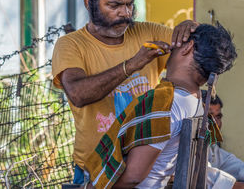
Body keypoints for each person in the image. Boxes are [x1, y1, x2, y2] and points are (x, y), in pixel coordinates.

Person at [51, 0, 198, 184]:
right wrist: (131, 65)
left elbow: (193, 53)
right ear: (89, 2)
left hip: (144, 166)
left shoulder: (148, 32)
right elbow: (79, 94)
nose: (125, 13)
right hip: (96, 169)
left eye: (129, 4)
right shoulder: (71, 45)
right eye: (114, 5)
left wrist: (191, 28)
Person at [85, 23, 243, 189]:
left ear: (189, 47)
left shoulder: (166, 102)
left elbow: (133, 176)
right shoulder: (195, 100)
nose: (172, 44)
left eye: (178, 41)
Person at [202, 91, 244, 182]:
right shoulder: (183, 145)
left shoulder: (212, 148)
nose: (216, 123)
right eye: (210, 117)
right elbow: (202, 177)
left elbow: (234, 165)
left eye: (218, 117)